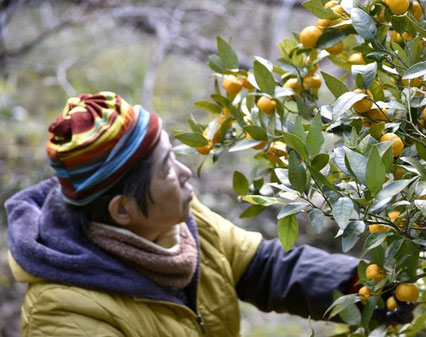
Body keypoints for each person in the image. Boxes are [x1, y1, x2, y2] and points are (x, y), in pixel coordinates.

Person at [6, 91, 367, 336]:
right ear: (123, 209)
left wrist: (367, 286)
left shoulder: (182, 222)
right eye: (165, 169)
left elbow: (263, 267)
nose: (185, 173)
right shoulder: (64, 316)